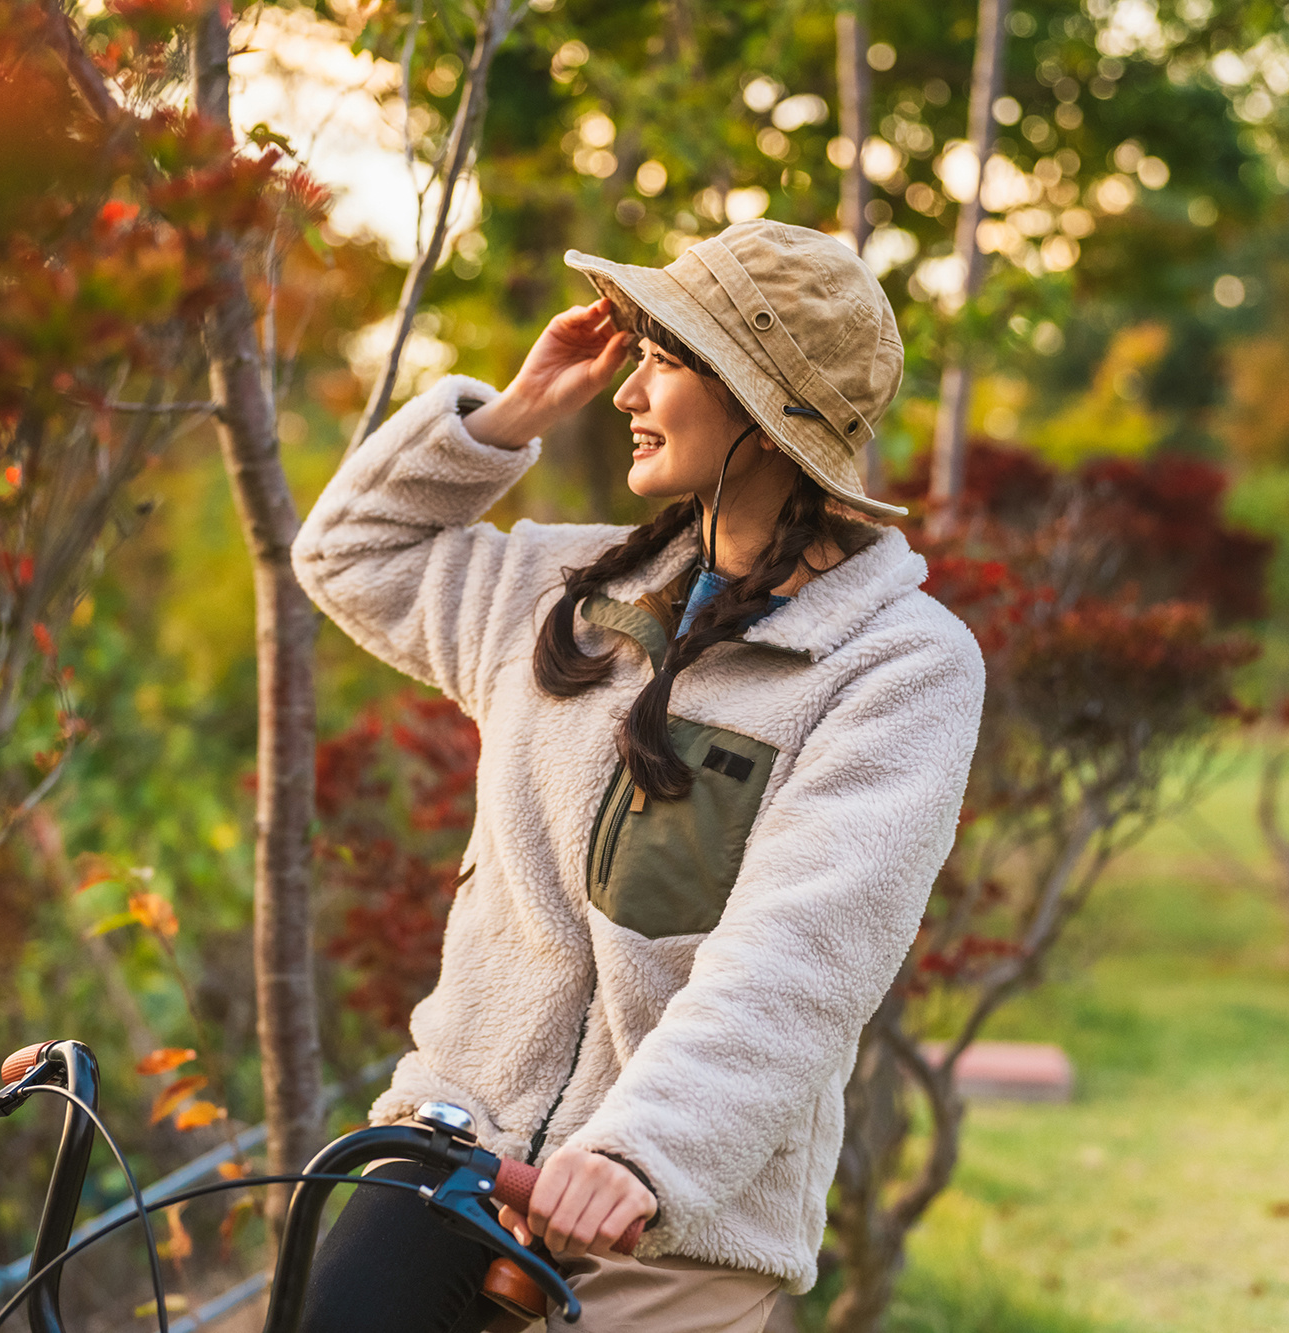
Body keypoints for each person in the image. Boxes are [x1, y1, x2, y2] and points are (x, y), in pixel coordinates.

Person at [290, 220, 984, 1332]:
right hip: (446, 1145)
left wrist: (638, 1154)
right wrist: (504, 419)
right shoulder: (559, 588)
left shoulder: (897, 663)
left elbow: (804, 950)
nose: (626, 391)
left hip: (669, 1221)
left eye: (664, 360)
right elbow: (347, 554)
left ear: (758, 406)